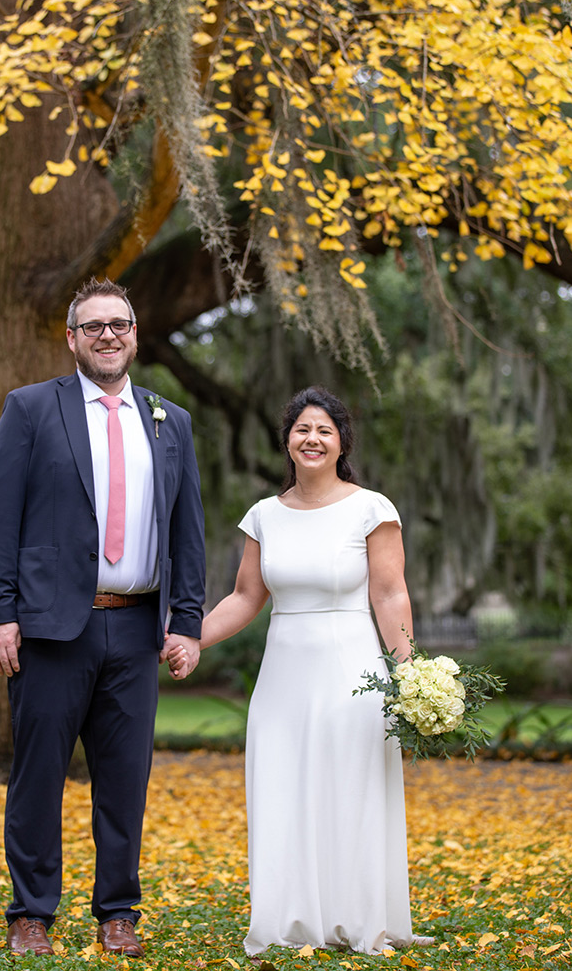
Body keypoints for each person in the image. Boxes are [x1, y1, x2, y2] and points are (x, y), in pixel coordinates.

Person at [0, 277, 206, 959]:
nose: (109, 335)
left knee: (124, 782)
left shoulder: (170, 421)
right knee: (38, 777)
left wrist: (186, 621)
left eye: (121, 324)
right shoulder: (30, 410)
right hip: (49, 630)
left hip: (136, 632)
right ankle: (31, 914)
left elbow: (186, 530)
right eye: (94, 326)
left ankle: (118, 913)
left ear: (135, 334)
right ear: (72, 337)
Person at [170, 386, 429, 956]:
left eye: (324, 431)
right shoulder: (264, 515)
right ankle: (291, 919)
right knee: (284, 786)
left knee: (350, 788)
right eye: (302, 429)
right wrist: (191, 638)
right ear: (287, 440)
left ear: (341, 443)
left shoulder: (371, 508)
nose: (312, 439)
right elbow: (244, 597)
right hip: (284, 674)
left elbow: (390, 595)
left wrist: (409, 671)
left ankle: (358, 917)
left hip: (352, 669)